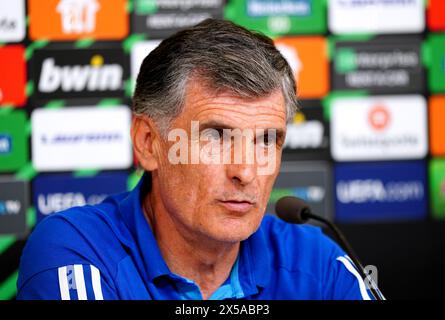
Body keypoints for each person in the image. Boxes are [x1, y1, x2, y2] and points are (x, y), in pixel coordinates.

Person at [17, 19, 376, 300]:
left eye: (266, 140)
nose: (246, 172)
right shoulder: (77, 249)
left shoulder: (318, 262)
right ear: (148, 143)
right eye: (216, 137)